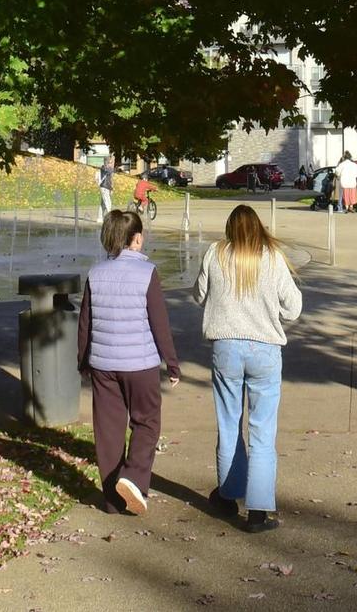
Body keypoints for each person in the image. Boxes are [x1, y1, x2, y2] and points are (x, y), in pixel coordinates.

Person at [195, 203, 302, 533]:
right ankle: (258, 510)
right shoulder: (271, 257)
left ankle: (228, 495)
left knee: (228, 424)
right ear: (259, 228)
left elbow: (200, 294)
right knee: (262, 430)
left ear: (229, 229)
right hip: (265, 349)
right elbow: (294, 308)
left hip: (226, 348)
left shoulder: (215, 253)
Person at [77, 210, 180, 516]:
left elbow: (85, 323)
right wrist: (171, 363)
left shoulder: (95, 273)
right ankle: (133, 477)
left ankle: (111, 500)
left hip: (103, 364)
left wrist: (82, 360)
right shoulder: (147, 272)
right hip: (141, 364)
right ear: (137, 238)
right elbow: (159, 323)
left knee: (108, 429)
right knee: (147, 422)